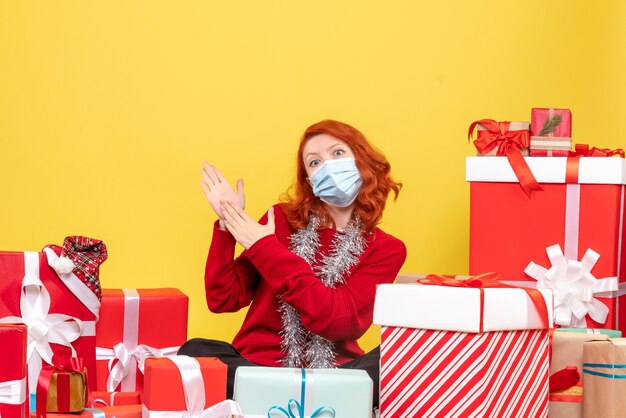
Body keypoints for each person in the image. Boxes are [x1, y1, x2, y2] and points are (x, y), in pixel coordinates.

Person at [179, 119, 407, 406]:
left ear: (361, 161)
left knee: (398, 358)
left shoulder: (387, 249)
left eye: (337, 154)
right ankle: (310, 401)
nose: (327, 166)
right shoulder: (280, 220)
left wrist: (265, 248)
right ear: (310, 182)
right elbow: (223, 297)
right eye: (314, 162)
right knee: (195, 352)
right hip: (258, 367)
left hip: (336, 373)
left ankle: (284, 399)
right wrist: (228, 224)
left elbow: (338, 320)